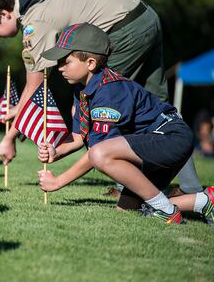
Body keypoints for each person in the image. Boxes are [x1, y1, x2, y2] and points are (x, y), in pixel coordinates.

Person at [0, 0, 203, 195]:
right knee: (157, 107)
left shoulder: (35, 22)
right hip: (145, 14)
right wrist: (18, 112)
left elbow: (35, 86)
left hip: (121, 30)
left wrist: (10, 137)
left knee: (109, 102)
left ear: (5, 14)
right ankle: (190, 188)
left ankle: (130, 188)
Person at [35, 22, 213, 224]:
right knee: (126, 210)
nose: (59, 68)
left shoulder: (109, 92)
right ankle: (203, 202)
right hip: (153, 142)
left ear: (91, 63)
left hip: (170, 137)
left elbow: (98, 152)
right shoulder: (82, 89)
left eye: (66, 61)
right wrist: (55, 152)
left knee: (100, 153)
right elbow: (78, 137)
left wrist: (57, 182)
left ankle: (167, 210)